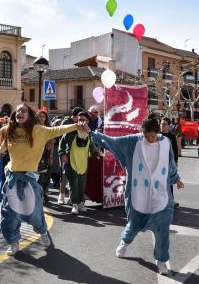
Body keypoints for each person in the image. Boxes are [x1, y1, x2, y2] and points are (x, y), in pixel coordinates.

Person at [90, 116, 184, 275]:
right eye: (147, 136)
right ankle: (124, 242)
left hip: (161, 196)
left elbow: (170, 164)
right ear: (142, 132)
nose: (150, 139)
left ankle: (161, 260)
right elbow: (112, 142)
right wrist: (93, 134)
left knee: (162, 229)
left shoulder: (166, 143)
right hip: (138, 194)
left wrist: (176, 179)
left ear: (157, 132)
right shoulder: (133, 142)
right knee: (133, 226)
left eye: (153, 136)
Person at [0, 104, 85, 255]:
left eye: (24, 111)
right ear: (14, 115)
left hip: (29, 179)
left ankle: (43, 232)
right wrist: (0, 151)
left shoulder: (38, 130)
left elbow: (57, 130)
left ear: (30, 115)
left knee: (34, 214)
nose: (20, 113)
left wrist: (76, 126)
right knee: (9, 214)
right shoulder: (9, 130)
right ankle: (13, 242)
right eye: (18, 111)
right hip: (12, 178)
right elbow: (5, 143)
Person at [59, 111, 98, 215]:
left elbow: (92, 146)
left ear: (88, 121)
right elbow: (62, 142)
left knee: (82, 185)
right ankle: (75, 205)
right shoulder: (71, 131)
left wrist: (95, 153)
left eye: (84, 120)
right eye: (79, 119)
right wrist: (62, 154)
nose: (81, 122)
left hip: (83, 162)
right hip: (71, 162)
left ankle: (81, 203)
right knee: (73, 185)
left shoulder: (89, 133)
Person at [57, 107, 84, 204]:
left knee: (74, 176)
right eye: (80, 117)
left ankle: (71, 197)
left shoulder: (81, 124)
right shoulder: (66, 122)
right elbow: (62, 138)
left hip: (76, 153)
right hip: (66, 152)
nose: (81, 119)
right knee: (65, 175)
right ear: (76, 115)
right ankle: (61, 196)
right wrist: (62, 153)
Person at [36, 110, 54, 204]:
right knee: (39, 176)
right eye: (40, 116)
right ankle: (40, 196)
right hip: (37, 155)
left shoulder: (48, 128)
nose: (42, 118)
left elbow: (52, 143)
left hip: (46, 155)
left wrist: (51, 156)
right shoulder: (34, 128)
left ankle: (44, 193)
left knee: (47, 176)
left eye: (44, 116)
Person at [160, 117, 179, 208]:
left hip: (168, 163)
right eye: (161, 123)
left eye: (164, 124)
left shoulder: (172, 137)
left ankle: (171, 200)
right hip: (158, 164)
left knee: (169, 182)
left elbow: (175, 151)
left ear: (168, 126)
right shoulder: (157, 135)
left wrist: (175, 163)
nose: (162, 125)